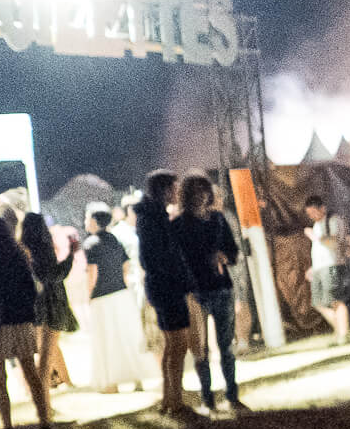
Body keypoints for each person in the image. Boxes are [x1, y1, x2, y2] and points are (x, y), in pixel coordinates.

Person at [0, 215, 54, 429]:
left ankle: (7, 426)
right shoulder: (17, 254)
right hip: (19, 319)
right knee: (30, 371)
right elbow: (30, 289)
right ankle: (44, 419)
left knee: (0, 376)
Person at [172, 173, 245, 410]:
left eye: (204, 190)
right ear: (187, 196)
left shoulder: (218, 220)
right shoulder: (179, 226)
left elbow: (234, 252)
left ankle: (232, 396)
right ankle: (207, 398)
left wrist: (225, 256)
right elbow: (177, 261)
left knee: (226, 346)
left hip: (222, 288)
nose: (201, 196)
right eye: (195, 191)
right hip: (195, 292)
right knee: (200, 349)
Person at [133, 172, 197, 415]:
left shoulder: (151, 216)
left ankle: (169, 399)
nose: (177, 192)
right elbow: (159, 257)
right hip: (167, 286)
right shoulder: (153, 219)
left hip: (161, 285)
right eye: (174, 187)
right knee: (178, 344)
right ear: (164, 190)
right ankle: (175, 401)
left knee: (172, 345)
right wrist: (179, 277)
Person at [79, 205, 151, 392]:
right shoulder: (114, 239)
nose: (86, 222)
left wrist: (89, 295)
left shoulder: (90, 244)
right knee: (127, 337)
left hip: (102, 297)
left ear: (94, 221)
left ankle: (111, 383)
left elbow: (92, 274)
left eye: (87, 218)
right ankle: (137, 379)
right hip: (121, 294)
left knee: (106, 339)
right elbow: (125, 265)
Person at [19, 213, 78, 395]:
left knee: (49, 346)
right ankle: (41, 390)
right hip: (52, 303)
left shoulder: (23, 249)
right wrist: (70, 256)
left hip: (33, 304)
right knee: (48, 349)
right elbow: (53, 275)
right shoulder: (43, 248)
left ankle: (65, 381)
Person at [303, 194, 350, 345]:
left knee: (336, 300)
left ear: (322, 208)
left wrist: (314, 237)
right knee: (318, 302)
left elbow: (334, 244)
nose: (312, 216)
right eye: (309, 214)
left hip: (332, 265)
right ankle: (340, 330)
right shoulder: (317, 225)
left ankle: (343, 333)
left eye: (314, 212)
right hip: (320, 267)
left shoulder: (333, 221)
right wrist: (313, 268)